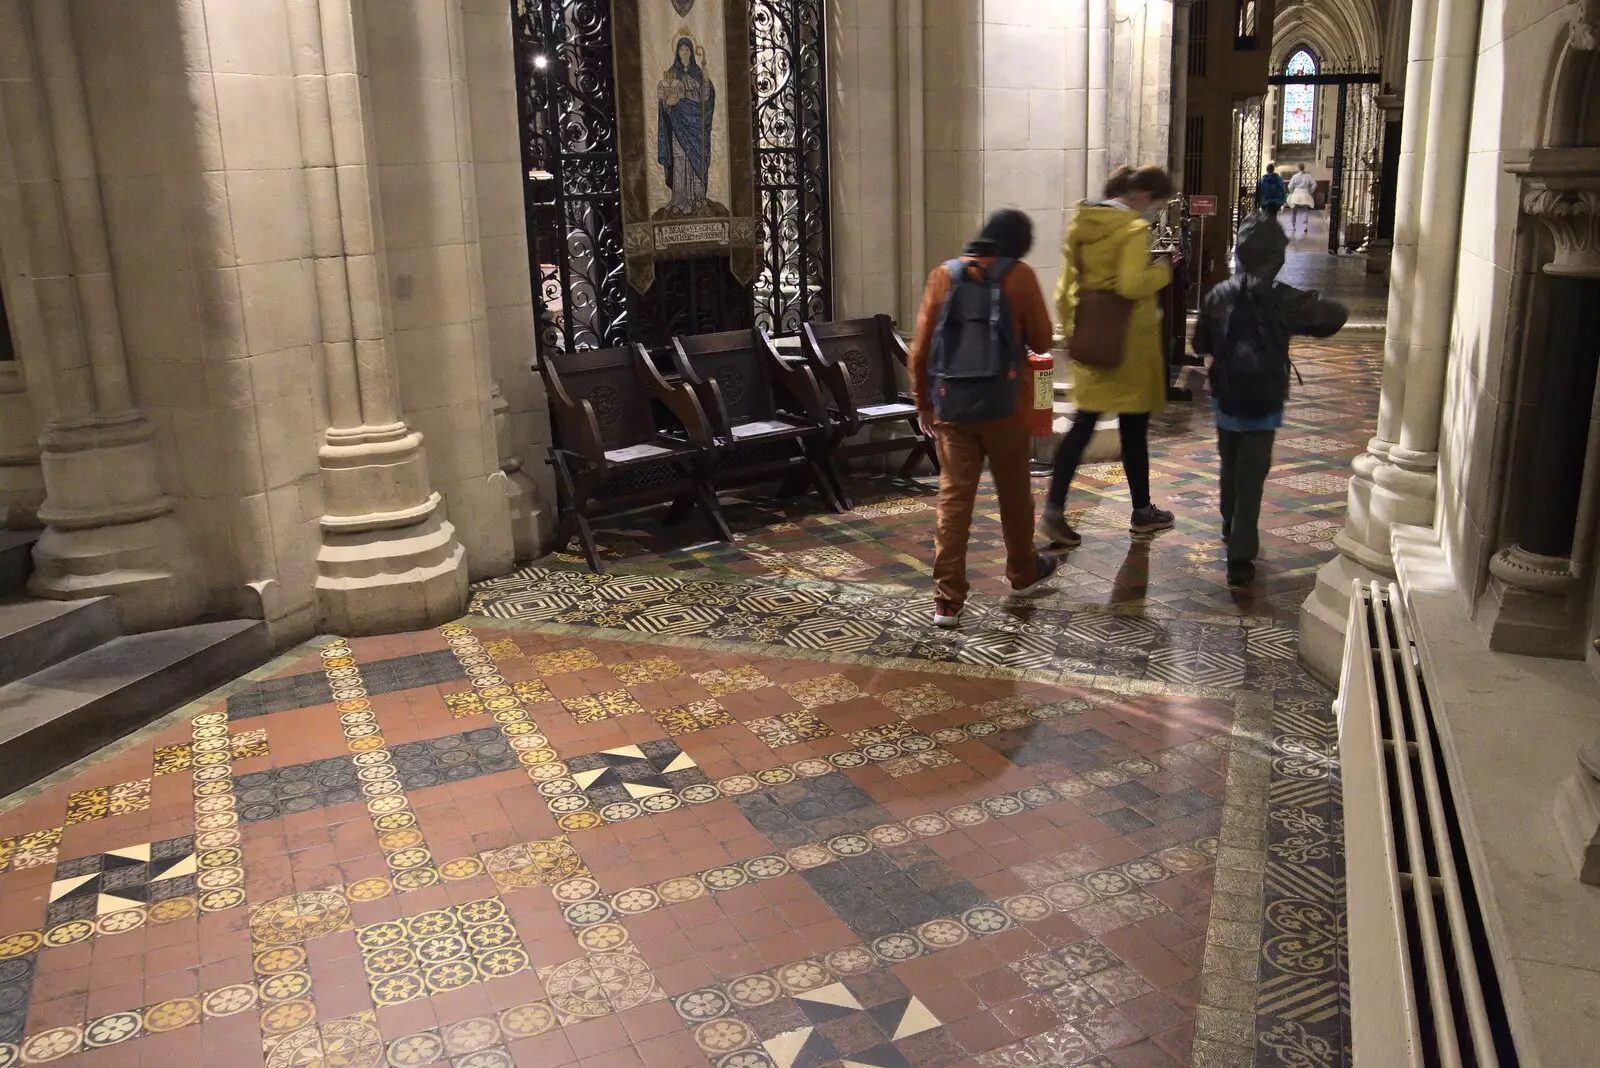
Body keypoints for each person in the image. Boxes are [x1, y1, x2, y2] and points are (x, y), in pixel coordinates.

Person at [908, 210, 1059, 628]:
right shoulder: (1020, 276)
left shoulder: (944, 274)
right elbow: (1042, 339)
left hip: (953, 407)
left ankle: (947, 601)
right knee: (1014, 494)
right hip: (1007, 407)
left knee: (954, 500)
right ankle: (1023, 572)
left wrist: (923, 402)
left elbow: (920, 349)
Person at [1192, 213, 1347, 585]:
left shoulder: (1218, 294)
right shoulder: (1284, 300)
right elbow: (1334, 317)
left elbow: (1199, 344)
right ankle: (1240, 558)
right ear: (1275, 257)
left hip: (1226, 399)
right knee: (1252, 476)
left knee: (1229, 466)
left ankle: (1230, 527)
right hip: (1265, 402)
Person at [1041, 165, 1177, 550]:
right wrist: (1162, 271)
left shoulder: (1081, 226)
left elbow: (1064, 289)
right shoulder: (1132, 231)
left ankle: (1054, 509)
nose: (1154, 212)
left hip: (1092, 339)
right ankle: (1141, 511)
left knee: (1082, 425)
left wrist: (1073, 331)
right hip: (1128, 346)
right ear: (1145, 197)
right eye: (1157, 204)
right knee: (1134, 428)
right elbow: (1131, 284)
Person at [1286, 164, 1317, 235]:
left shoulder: (1295, 176)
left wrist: (1292, 192)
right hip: (1305, 194)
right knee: (1305, 210)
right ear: (1304, 168)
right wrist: (1310, 191)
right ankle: (1305, 227)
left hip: (1296, 194)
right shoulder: (1308, 176)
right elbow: (1314, 184)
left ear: (1298, 168)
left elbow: (1290, 186)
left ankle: (1293, 226)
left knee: (1294, 211)